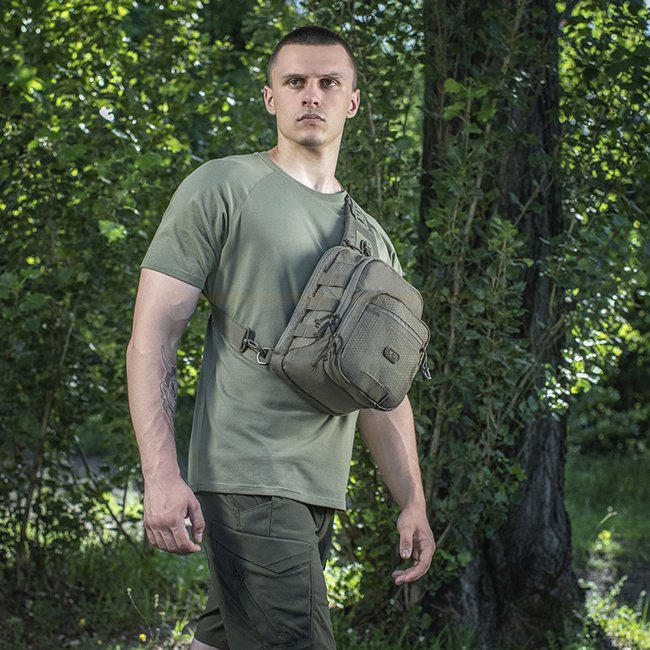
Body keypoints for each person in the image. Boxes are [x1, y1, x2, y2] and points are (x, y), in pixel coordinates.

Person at [126, 25, 435, 650]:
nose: (311, 95)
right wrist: (160, 474)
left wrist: (413, 500)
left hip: (317, 488)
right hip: (248, 477)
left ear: (352, 101)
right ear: (271, 97)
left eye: (329, 82)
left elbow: (383, 392)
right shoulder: (223, 187)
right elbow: (152, 337)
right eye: (295, 81)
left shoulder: (373, 242)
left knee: (222, 639)